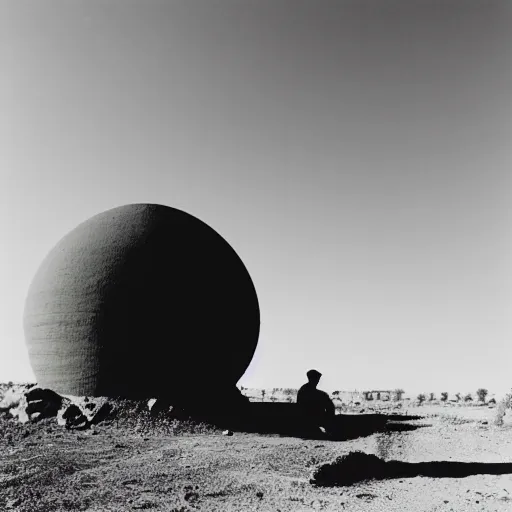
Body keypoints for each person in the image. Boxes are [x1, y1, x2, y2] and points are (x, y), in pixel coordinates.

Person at [297, 369, 335, 435]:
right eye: (317, 379)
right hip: (309, 418)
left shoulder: (305, 389)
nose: (318, 381)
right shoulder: (305, 390)